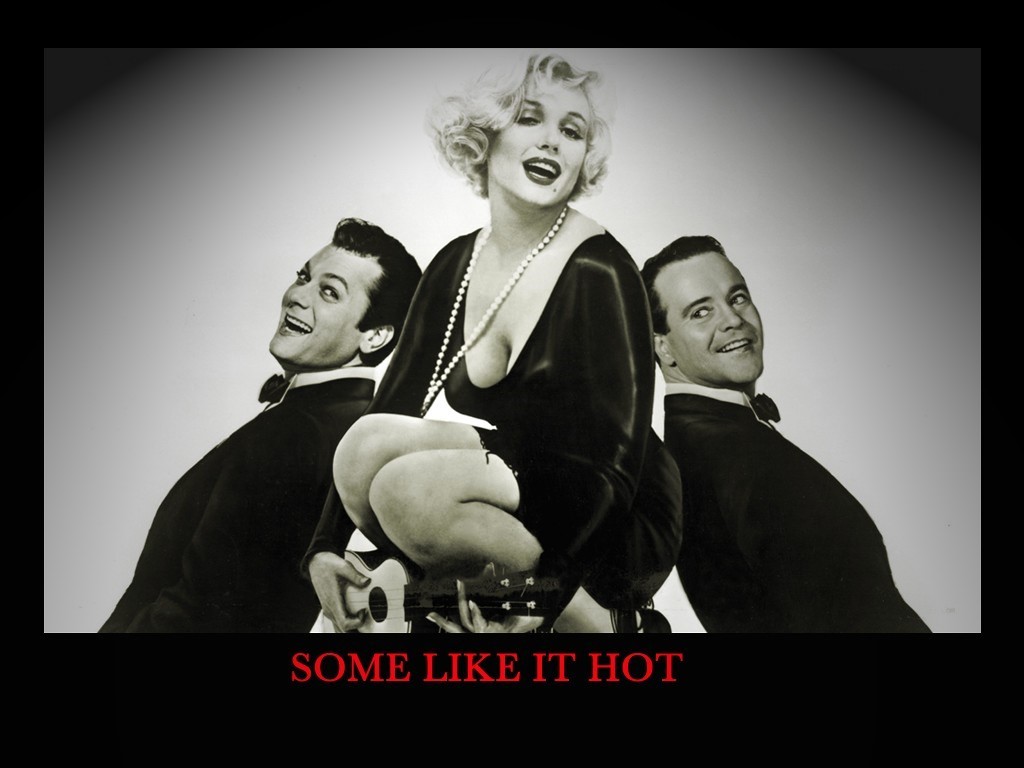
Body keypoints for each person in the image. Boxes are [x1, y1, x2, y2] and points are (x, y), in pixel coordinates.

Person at [304, 53, 682, 633]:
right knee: (362, 448)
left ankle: (592, 619)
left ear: (583, 158)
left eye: (572, 131)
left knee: (406, 493)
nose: (552, 141)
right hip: (524, 477)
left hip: (610, 508)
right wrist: (324, 549)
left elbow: (615, 464)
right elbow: (394, 401)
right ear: (485, 133)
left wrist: (547, 591)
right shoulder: (458, 261)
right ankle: (455, 597)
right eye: (530, 118)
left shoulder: (601, 270)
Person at [99, 218, 422, 632]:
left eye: (329, 292)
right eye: (303, 277)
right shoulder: (345, 425)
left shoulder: (296, 433)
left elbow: (202, 610)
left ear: (374, 336)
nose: (296, 296)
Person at [641, 235, 930, 632]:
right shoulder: (734, 454)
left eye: (737, 297)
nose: (732, 319)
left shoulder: (701, 440)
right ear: (662, 347)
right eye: (700, 312)